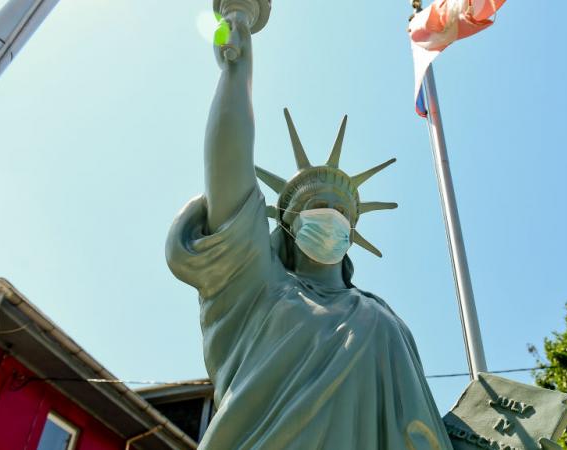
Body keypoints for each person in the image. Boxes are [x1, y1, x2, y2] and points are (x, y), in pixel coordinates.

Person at [166, 6, 453, 449]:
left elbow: (421, 433)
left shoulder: (382, 322)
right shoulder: (258, 287)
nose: (330, 216)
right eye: (316, 206)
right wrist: (236, 73)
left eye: (342, 211)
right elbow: (229, 170)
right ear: (287, 225)